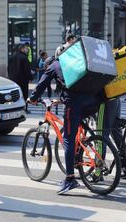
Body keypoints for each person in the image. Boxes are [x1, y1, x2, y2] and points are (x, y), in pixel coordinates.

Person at [28, 60, 102, 194]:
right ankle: (80, 150)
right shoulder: (76, 62)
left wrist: (32, 98)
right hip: (92, 101)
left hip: (75, 104)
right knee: (76, 129)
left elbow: (42, 84)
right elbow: (73, 86)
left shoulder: (54, 65)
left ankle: (70, 179)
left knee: (67, 138)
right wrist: (62, 100)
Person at [8, 44, 33, 110]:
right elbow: (27, 70)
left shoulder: (11, 57)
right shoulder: (24, 58)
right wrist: (30, 78)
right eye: (26, 48)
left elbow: (8, 68)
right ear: (22, 49)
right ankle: (24, 108)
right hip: (23, 80)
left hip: (13, 80)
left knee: (14, 94)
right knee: (24, 94)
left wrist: (10, 77)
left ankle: (14, 108)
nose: (27, 50)